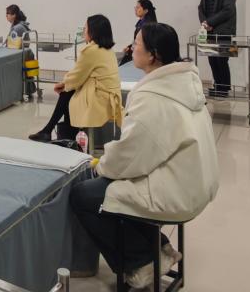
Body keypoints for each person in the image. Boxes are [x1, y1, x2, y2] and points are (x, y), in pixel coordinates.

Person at [70, 23, 219, 289]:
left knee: (85, 195)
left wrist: (100, 166)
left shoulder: (154, 97)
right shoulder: (185, 84)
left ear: (153, 54)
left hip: (177, 191)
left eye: (137, 43)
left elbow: (130, 156)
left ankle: (141, 263)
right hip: (198, 182)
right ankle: (159, 247)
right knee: (113, 189)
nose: (132, 47)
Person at [28, 15, 121, 142]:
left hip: (100, 98)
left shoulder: (91, 51)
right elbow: (79, 75)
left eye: (85, 28)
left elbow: (77, 76)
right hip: (110, 97)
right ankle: (53, 133)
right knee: (69, 94)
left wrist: (63, 84)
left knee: (67, 94)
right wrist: (66, 84)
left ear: (93, 31)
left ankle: (56, 134)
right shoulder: (108, 49)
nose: (83, 31)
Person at [198, 0, 236, 96]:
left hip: (224, 32)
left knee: (222, 60)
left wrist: (209, 22)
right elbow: (200, 9)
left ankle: (224, 89)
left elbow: (228, 10)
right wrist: (205, 23)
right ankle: (217, 86)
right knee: (212, 60)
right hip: (209, 32)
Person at [120, 0, 157, 65]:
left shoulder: (147, 26)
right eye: (135, 7)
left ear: (146, 10)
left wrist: (132, 49)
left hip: (142, 54)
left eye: (138, 7)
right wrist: (130, 47)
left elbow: (144, 43)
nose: (135, 9)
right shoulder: (141, 23)